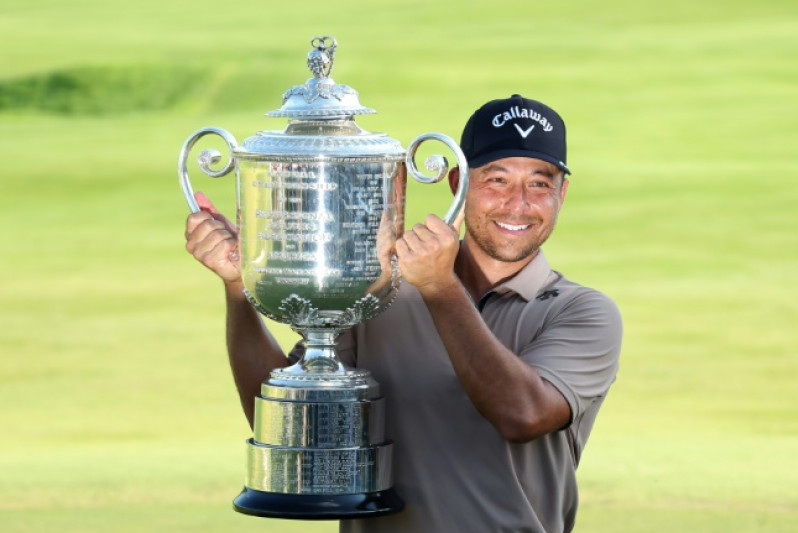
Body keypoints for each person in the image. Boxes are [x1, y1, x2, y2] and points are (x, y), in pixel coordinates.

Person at [184, 94, 623, 532]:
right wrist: (239, 288)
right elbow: (293, 421)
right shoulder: (383, 291)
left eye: (540, 184)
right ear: (458, 184)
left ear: (562, 193)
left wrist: (438, 286)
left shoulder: (582, 311)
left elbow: (522, 415)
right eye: (497, 180)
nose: (518, 203)